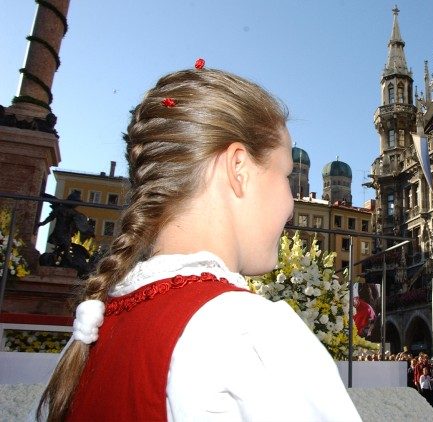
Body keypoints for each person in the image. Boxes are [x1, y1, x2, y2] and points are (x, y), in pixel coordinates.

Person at [36, 64, 361, 421]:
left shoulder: (89, 335)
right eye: (286, 175)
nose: (289, 209)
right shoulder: (251, 336)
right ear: (238, 168)